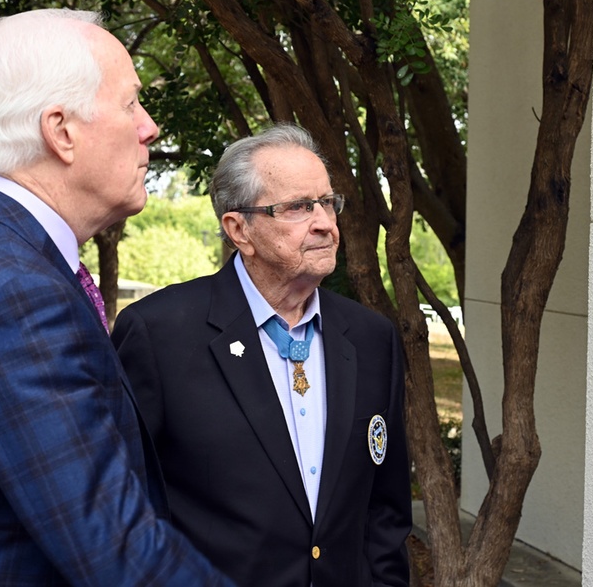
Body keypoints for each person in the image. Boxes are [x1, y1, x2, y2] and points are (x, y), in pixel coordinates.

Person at [0, 9, 232, 586]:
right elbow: (124, 559)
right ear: (61, 131)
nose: (150, 127)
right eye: (132, 103)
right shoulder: (18, 299)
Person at [113, 123, 412, 587]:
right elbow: (123, 509)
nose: (324, 223)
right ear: (239, 230)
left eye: (327, 203)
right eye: (297, 207)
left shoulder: (372, 338)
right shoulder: (158, 334)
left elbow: (386, 510)